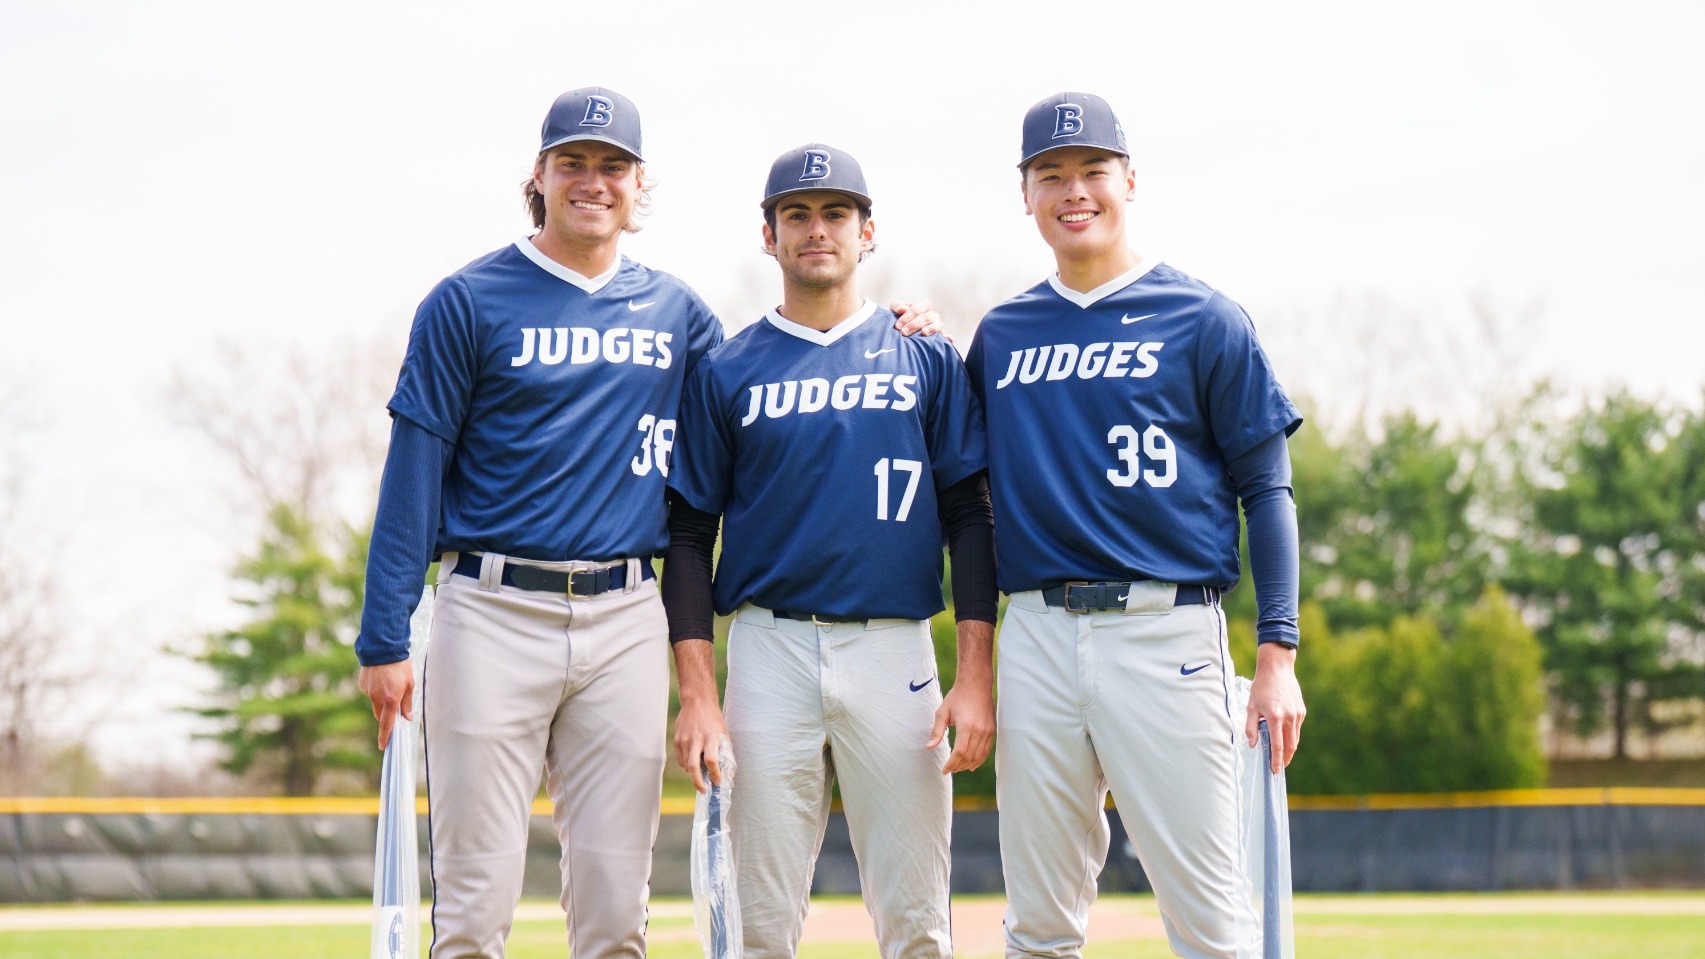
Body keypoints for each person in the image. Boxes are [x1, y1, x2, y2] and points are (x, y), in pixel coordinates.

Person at [351, 89, 940, 958]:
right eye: (574, 162)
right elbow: (413, 470)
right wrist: (383, 633)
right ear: (539, 176)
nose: (594, 181)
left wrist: (893, 331)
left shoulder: (680, 315)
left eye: (613, 166)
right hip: (489, 606)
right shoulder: (467, 300)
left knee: (617, 916)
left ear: (638, 185)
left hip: (626, 612)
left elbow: (773, 375)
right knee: (472, 914)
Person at [963, 92, 1306, 959]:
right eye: (1051, 175)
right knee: (1037, 926)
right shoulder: (1000, 335)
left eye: (1091, 172)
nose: (1073, 191)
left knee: (1209, 922)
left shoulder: (1203, 318)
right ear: (1025, 193)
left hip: (1167, 629)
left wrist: (1277, 657)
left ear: (1128, 181)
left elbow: (1266, 489)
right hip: (1036, 633)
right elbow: (962, 495)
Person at [663, 143, 998, 959]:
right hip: (770, 647)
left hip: (895, 648)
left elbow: (969, 512)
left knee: (917, 922)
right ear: (769, 235)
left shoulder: (921, 351)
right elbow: (686, 534)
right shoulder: (727, 367)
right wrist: (698, 695)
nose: (817, 230)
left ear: (867, 230)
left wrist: (975, 674)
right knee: (755, 923)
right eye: (797, 214)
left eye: (836, 213)